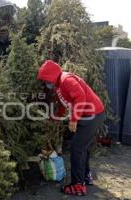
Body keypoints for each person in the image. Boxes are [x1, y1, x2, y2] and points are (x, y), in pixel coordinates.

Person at [37, 60, 105, 196]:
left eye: (46, 80)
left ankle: (78, 186)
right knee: (81, 147)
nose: (46, 84)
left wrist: (73, 120)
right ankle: (85, 177)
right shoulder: (58, 85)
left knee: (76, 147)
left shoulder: (66, 79)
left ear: (51, 75)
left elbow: (80, 97)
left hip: (92, 114)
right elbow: (63, 103)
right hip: (87, 115)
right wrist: (56, 117)